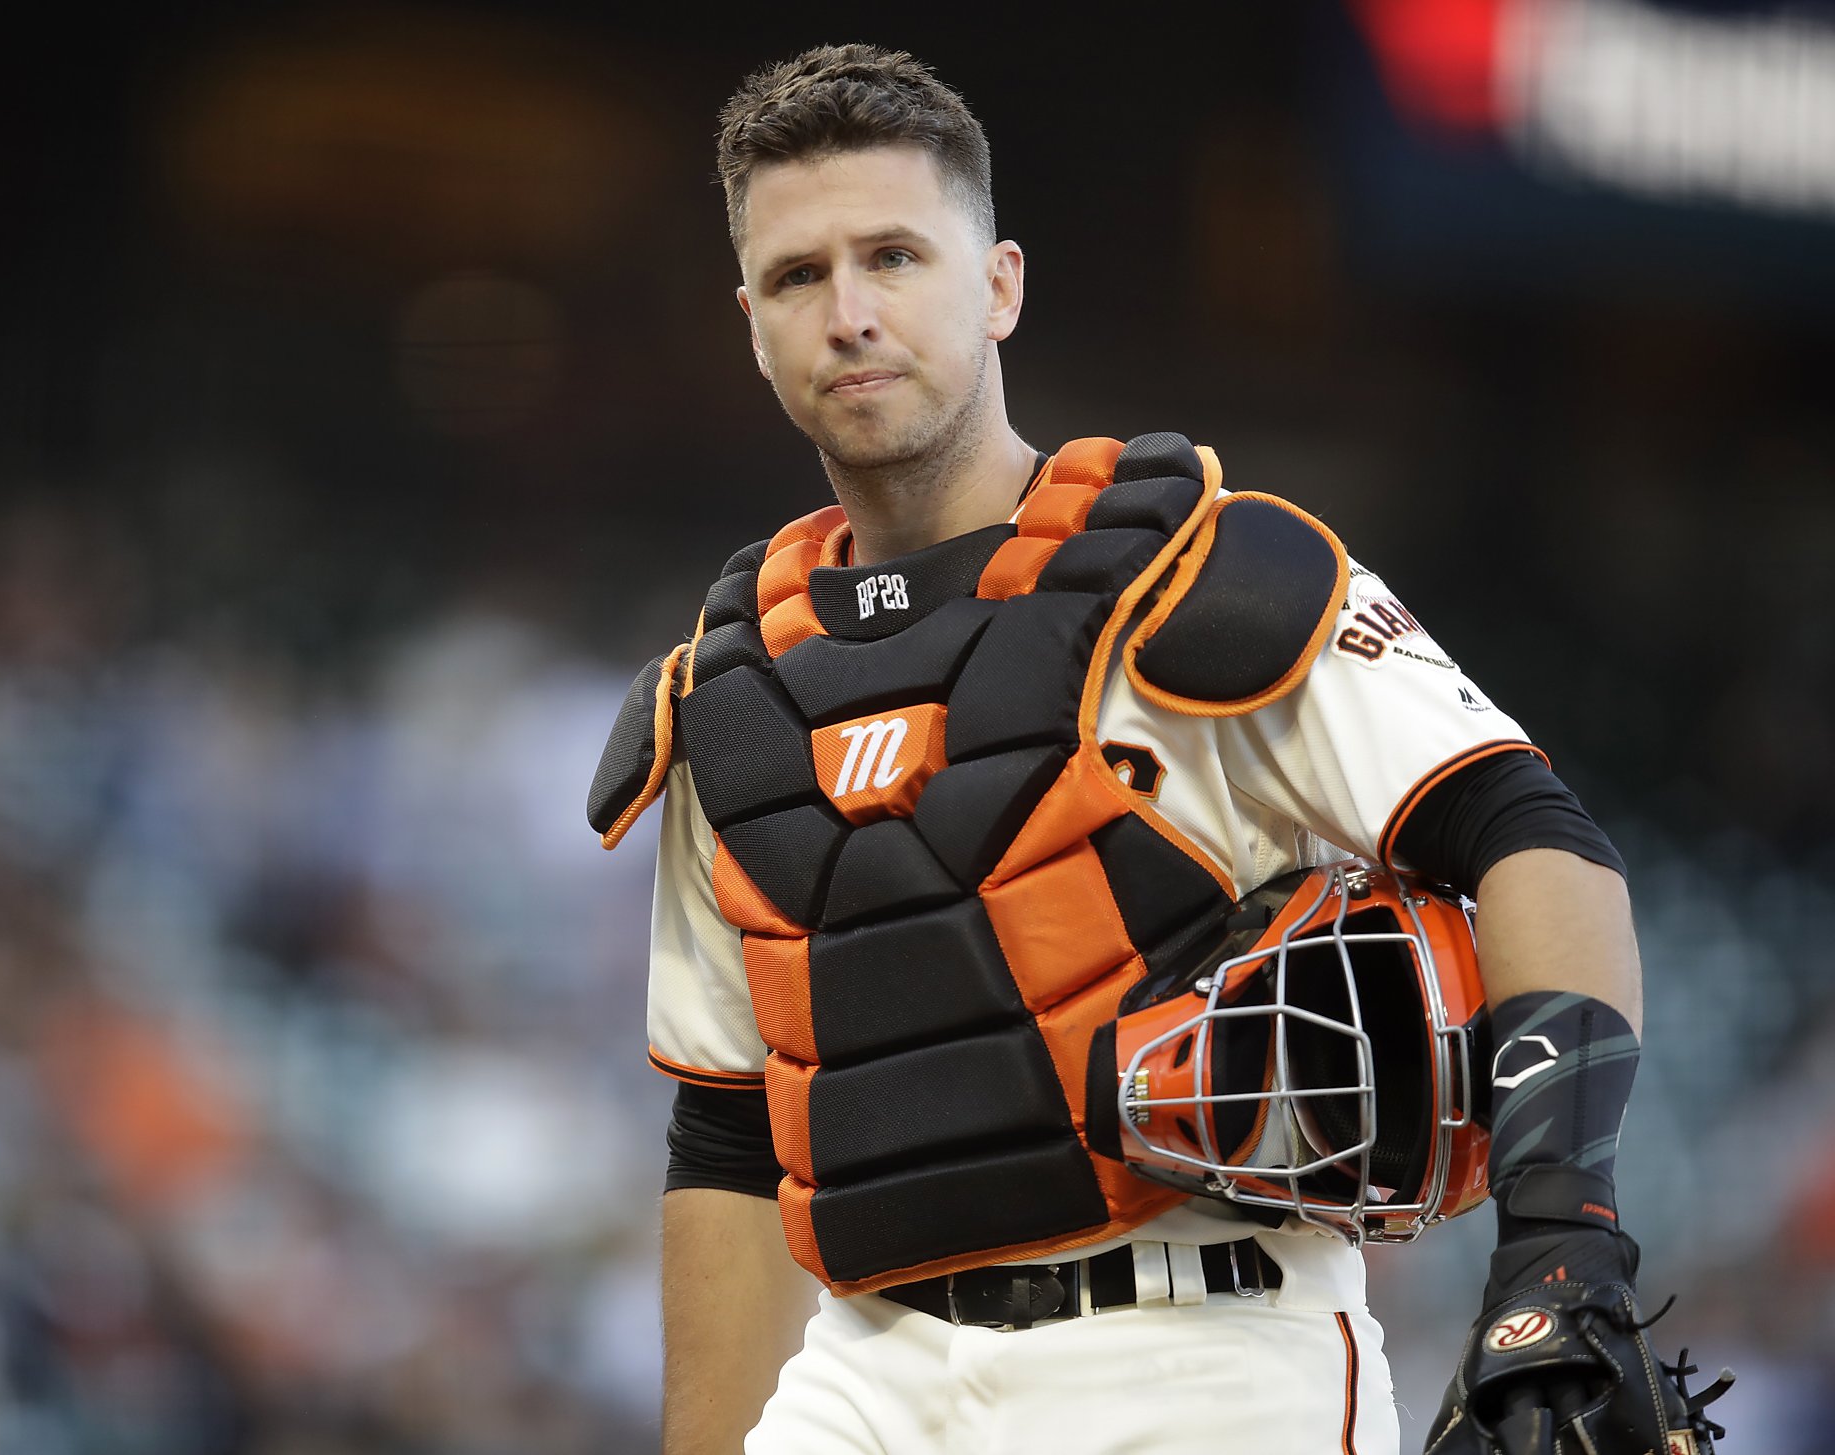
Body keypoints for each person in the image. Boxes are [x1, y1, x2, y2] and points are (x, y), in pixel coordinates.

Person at [586, 43, 1699, 1455]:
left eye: (895, 257)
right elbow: (731, 1140)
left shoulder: (1203, 577)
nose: (851, 313)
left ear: (998, 286)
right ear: (751, 321)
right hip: (865, 1377)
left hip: (1202, 1352)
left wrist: (1562, 1245)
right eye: (802, 277)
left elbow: (1537, 842)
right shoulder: (730, 699)